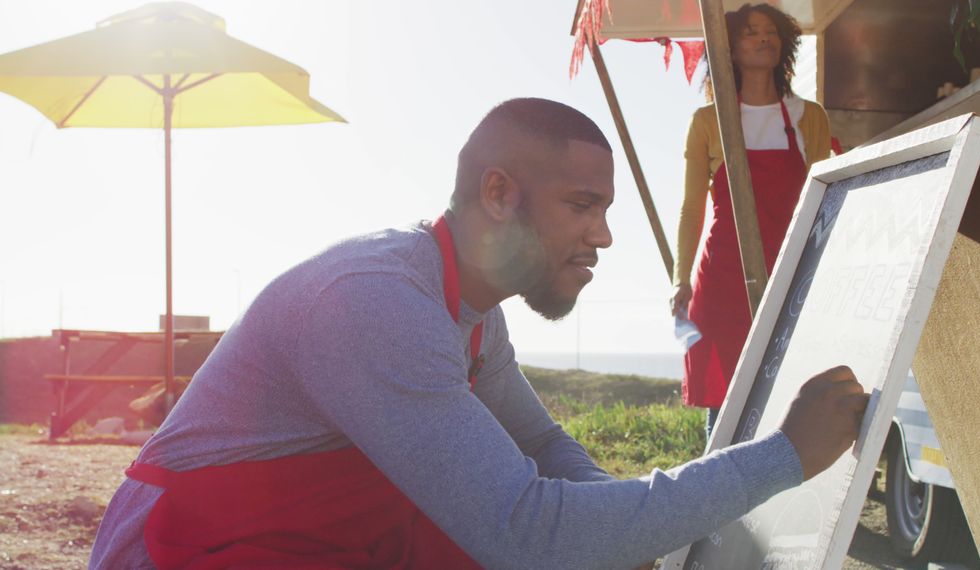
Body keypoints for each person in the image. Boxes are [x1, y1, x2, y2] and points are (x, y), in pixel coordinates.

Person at [90, 98, 865, 569]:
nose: (603, 236)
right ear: (500, 193)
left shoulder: (475, 313)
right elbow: (527, 532)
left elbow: (542, 443)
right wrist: (783, 456)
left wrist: (620, 536)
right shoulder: (377, 303)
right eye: (582, 206)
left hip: (305, 543)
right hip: (182, 553)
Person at [669, 4, 834, 439]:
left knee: (788, 397)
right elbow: (691, 207)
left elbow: (823, 202)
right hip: (723, 279)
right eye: (751, 33)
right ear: (729, 50)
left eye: (771, 32)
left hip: (790, 271)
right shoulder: (707, 122)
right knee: (725, 407)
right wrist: (679, 278)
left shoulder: (809, 117)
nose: (764, 39)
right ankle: (718, 500)